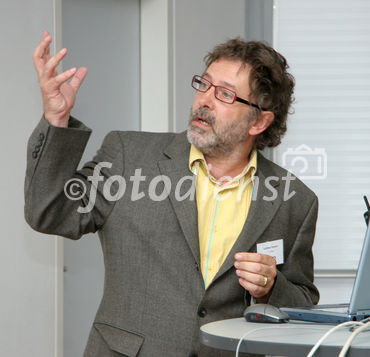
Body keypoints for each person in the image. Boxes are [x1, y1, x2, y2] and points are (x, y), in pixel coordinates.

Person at [26, 31, 319, 357]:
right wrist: (56, 118)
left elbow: (303, 302)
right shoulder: (128, 156)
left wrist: (271, 288)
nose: (204, 99)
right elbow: (48, 211)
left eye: (224, 94)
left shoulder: (295, 201)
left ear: (259, 122)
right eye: (204, 84)